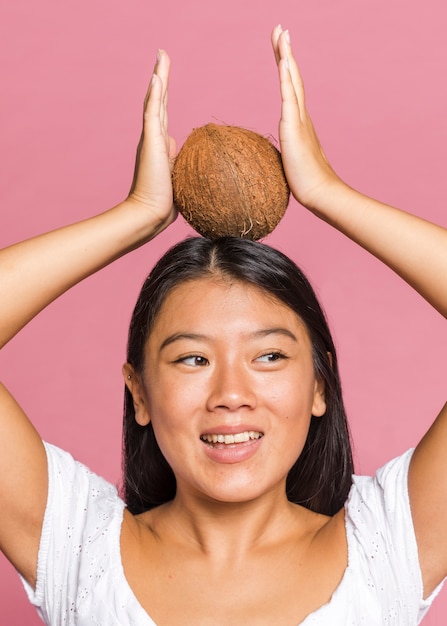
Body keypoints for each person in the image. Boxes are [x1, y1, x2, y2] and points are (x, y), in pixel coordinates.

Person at [0, 24, 446, 625]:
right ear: (139, 393)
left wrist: (328, 193)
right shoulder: (80, 549)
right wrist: (133, 217)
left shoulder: (389, 546)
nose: (231, 395)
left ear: (320, 385)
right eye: (193, 359)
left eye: (268, 357)